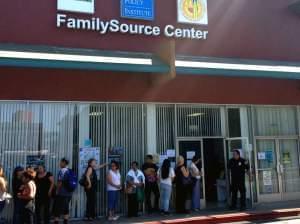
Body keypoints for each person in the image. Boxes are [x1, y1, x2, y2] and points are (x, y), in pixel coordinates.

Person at [53, 158, 73, 224]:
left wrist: (57, 190)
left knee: (57, 208)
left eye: (61, 162)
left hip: (62, 193)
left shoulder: (62, 171)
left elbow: (60, 182)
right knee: (66, 208)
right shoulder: (70, 170)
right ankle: (65, 222)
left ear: (64, 163)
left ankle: (56, 222)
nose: (60, 164)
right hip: (69, 193)